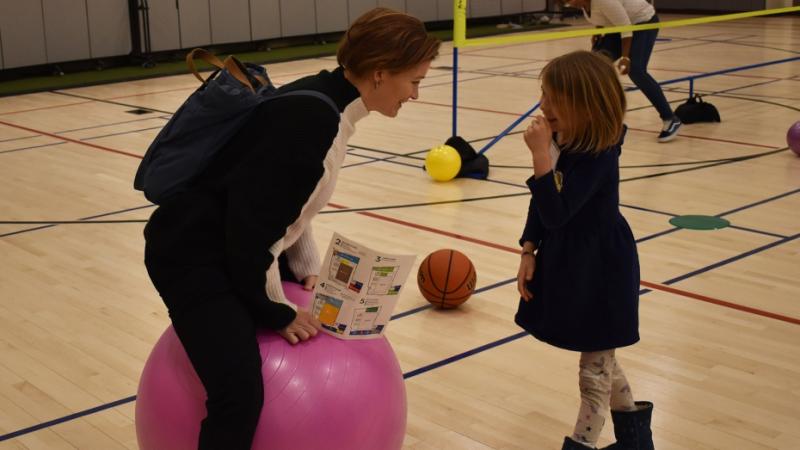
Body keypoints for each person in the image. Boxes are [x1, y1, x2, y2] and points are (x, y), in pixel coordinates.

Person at [143, 8, 440, 450]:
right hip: (191, 255)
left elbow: (284, 209)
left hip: (225, 242)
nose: (415, 93)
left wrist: (305, 270)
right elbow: (251, 236)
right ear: (380, 74)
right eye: (414, 80)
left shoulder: (323, 101)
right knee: (238, 393)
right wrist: (276, 312)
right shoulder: (315, 121)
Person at [515, 50, 654, 450]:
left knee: (593, 373)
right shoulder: (564, 140)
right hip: (571, 262)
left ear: (588, 107)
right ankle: (636, 441)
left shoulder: (600, 155)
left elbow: (558, 212)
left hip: (602, 269)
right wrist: (528, 249)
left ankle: (582, 444)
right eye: (543, 94)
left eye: (555, 99)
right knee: (602, 356)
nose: (544, 106)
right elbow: (541, 207)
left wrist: (540, 156)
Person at [565, 0, 681, 142]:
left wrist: (625, 57)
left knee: (636, 71)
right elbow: (602, 17)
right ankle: (592, 120)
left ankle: (670, 118)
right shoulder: (585, 5)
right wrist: (599, 31)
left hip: (643, 22)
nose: (570, 4)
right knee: (594, 65)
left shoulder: (604, 1)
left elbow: (626, 27)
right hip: (620, 27)